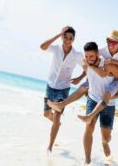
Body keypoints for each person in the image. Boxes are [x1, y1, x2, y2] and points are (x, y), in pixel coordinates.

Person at [48, 30, 118, 122]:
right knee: (83, 87)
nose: (110, 44)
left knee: (107, 93)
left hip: (117, 79)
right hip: (105, 74)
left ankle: (90, 116)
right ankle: (61, 105)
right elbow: (91, 67)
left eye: (114, 42)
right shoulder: (101, 52)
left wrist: (117, 63)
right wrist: (85, 79)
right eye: (109, 41)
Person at [40, 26, 84, 154]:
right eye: (65, 37)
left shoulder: (77, 55)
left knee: (57, 116)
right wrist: (58, 34)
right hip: (50, 86)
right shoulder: (56, 49)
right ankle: (56, 124)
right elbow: (42, 46)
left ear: (73, 39)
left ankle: (50, 147)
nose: (67, 40)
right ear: (62, 37)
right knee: (47, 114)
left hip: (63, 89)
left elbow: (87, 68)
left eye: (70, 38)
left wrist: (79, 78)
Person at [81, 42, 118, 165]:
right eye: (87, 56)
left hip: (108, 104)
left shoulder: (107, 64)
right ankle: (87, 160)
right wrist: (87, 84)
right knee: (89, 127)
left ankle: (104, 143)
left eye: (91, 56)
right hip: (93, 99)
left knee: (106, 137)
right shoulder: (86, 62)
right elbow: (89, 73)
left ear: (98, 54)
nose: (89, 59)